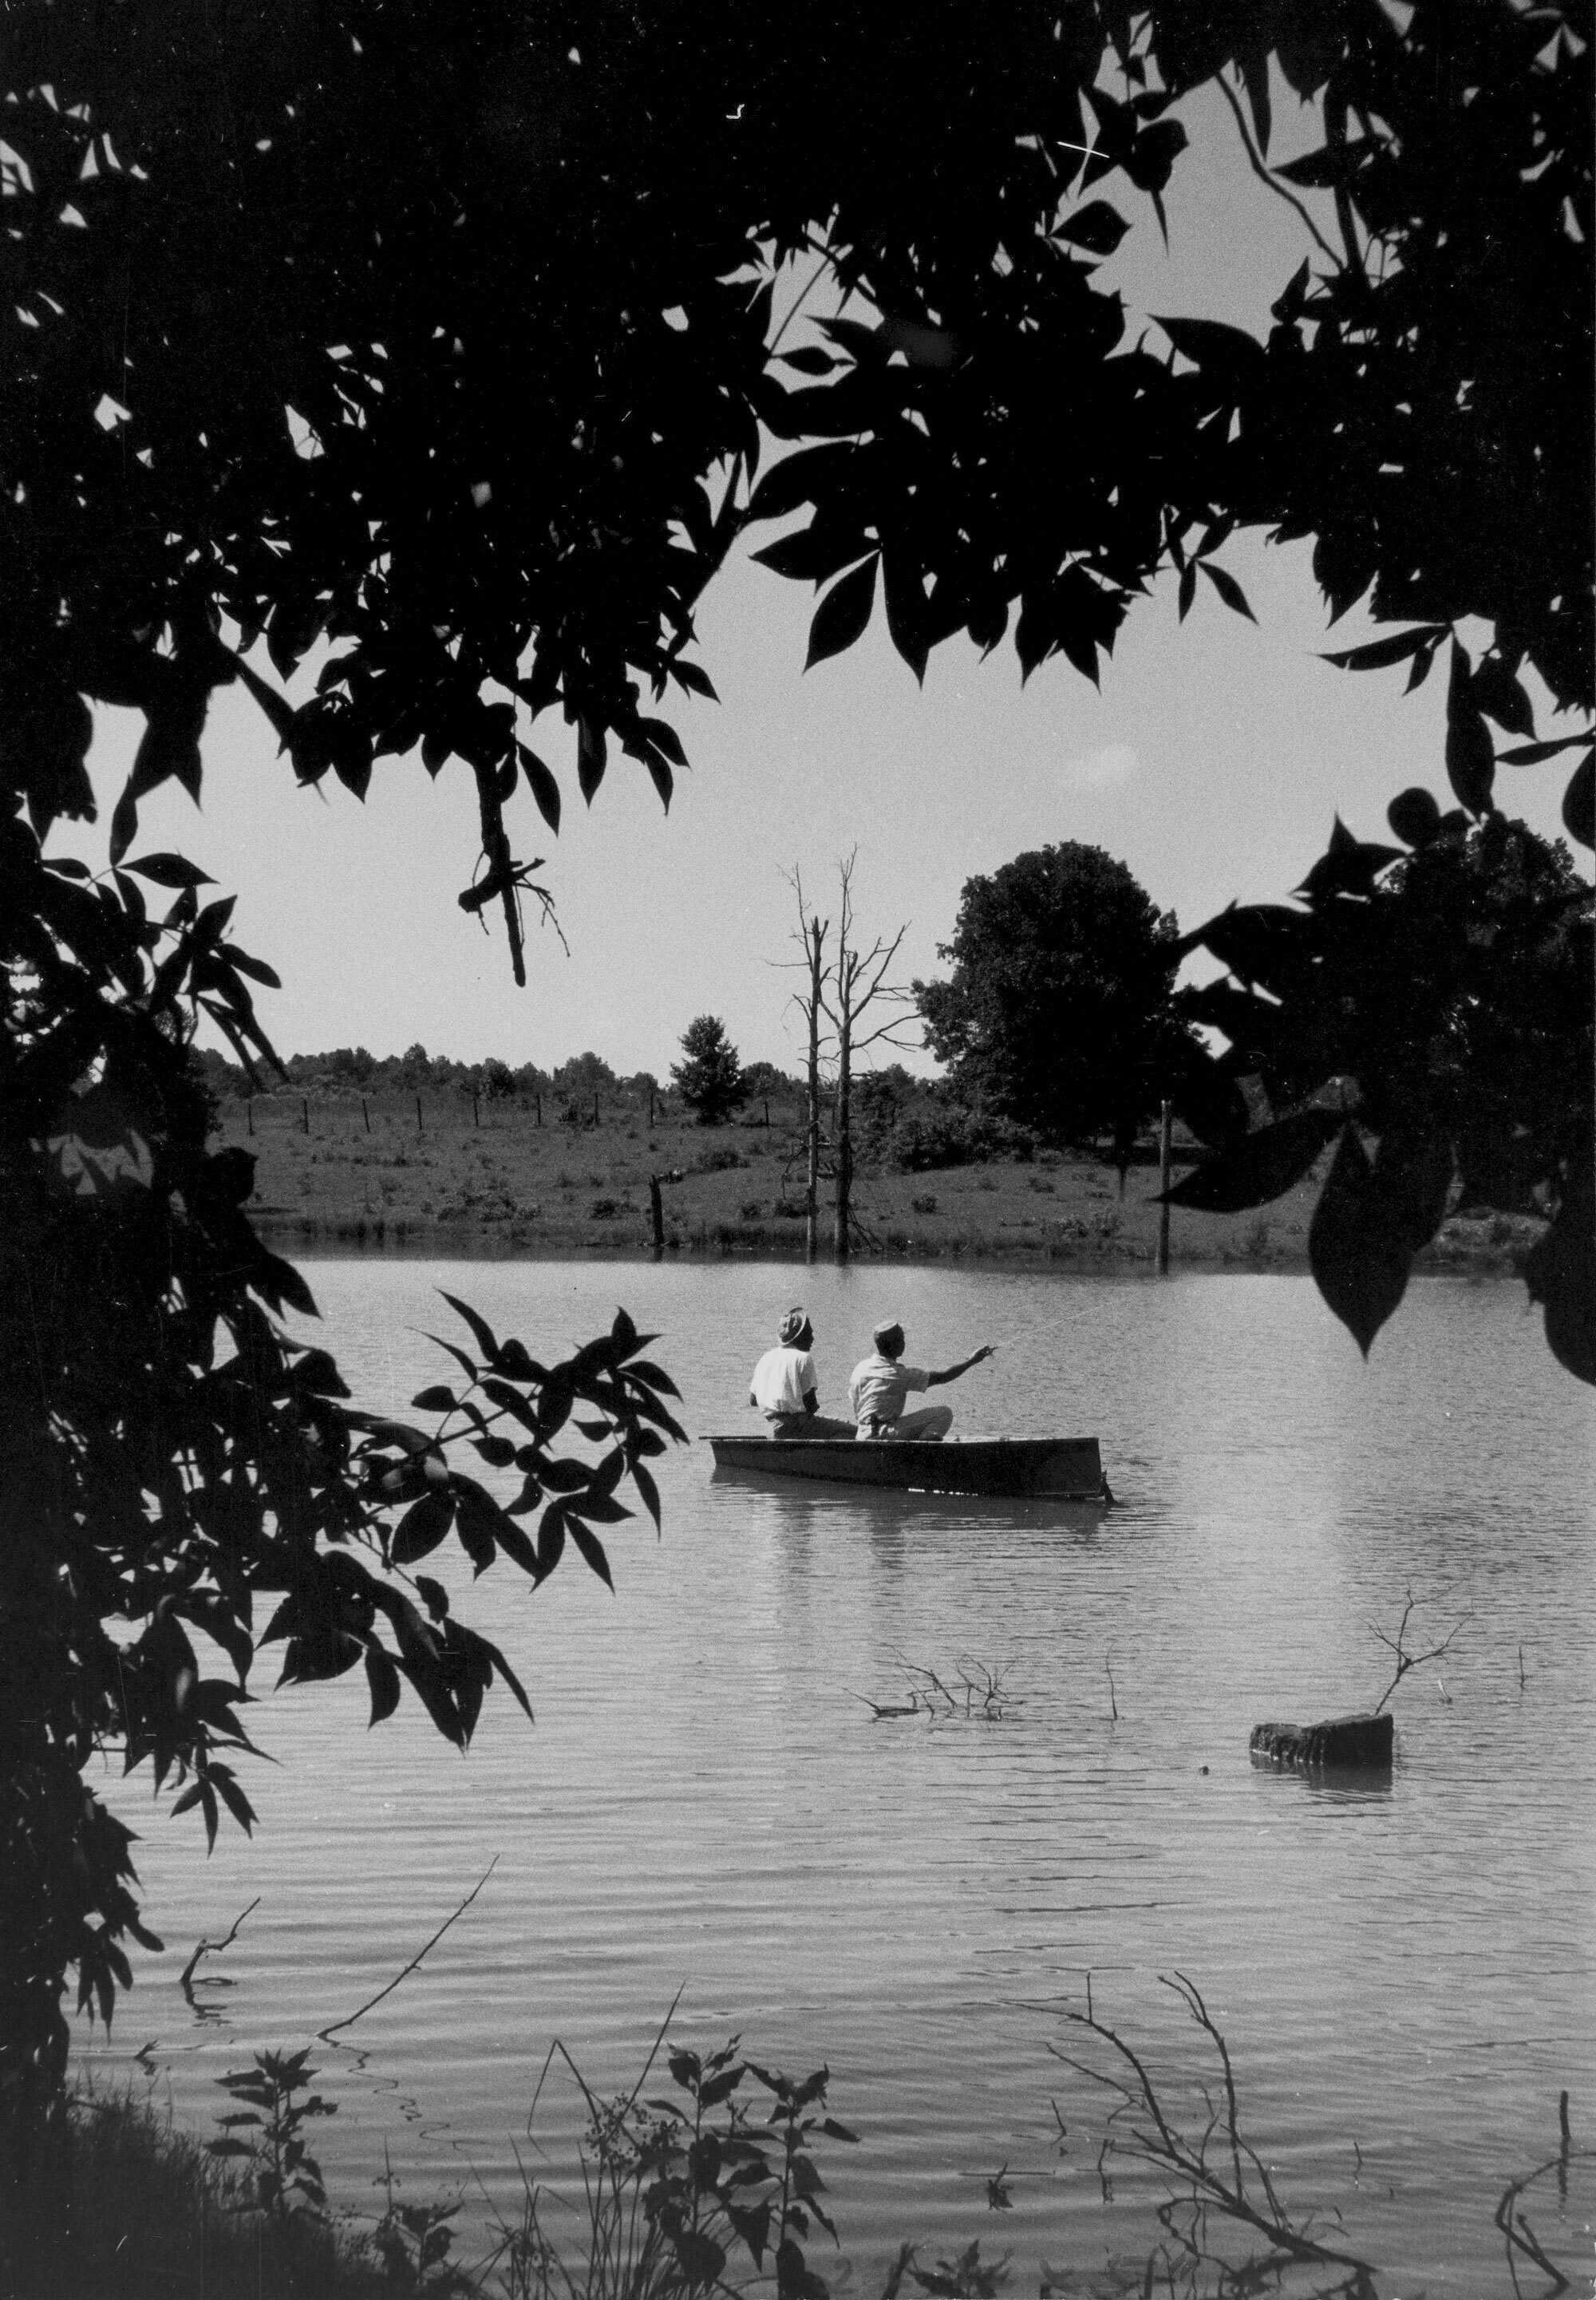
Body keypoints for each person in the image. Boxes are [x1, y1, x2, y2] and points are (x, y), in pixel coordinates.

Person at [848, 1320, 994, 1440]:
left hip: (862, 1434)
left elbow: (855, 1404)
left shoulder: (861, 1368)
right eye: (902, 1339)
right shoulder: (897, 1373)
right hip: (883, 1435)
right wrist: (972, 1361)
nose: (904, 1343)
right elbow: (943, 1377)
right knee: (943, 1413)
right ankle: (922, 1454)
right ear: (895, 1344)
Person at [749, 1308, 855, 1439]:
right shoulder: (803, 1358)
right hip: (796, 1425)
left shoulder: (765, 1358)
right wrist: (812, 1406)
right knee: (851, 1430)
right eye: (809, 1333)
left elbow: (753, 1400)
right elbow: (810, 1403)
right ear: (800, 1336)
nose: (812, 1338)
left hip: (771, 1424)